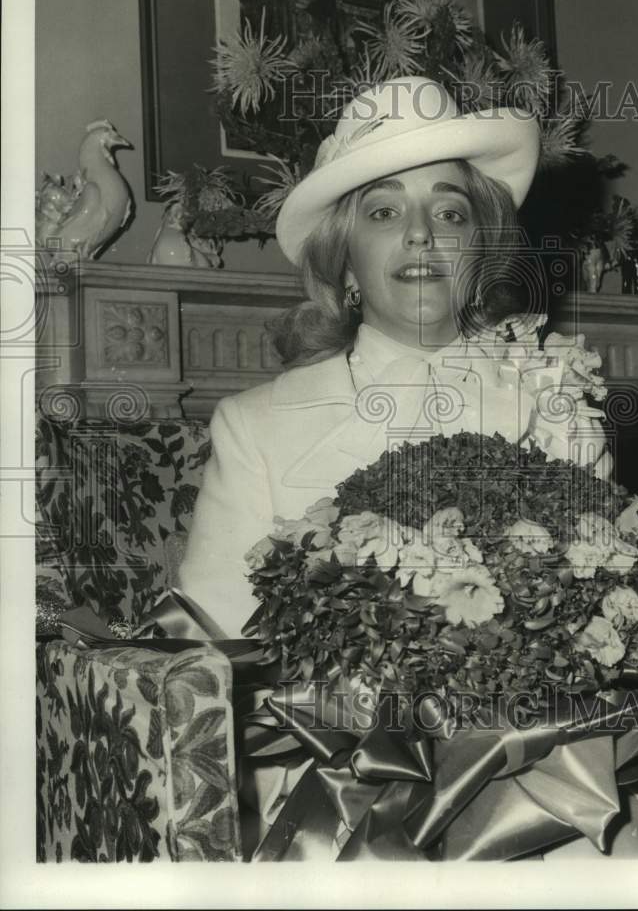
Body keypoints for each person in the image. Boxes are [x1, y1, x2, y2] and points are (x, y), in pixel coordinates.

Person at [178, 75, 612, 638]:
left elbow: (591, 621)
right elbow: (210, 647)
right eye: (384, 213)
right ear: (348, 265)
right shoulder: (253, 428)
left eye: (450, 214)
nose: (421, 234)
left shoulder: (558, 407)